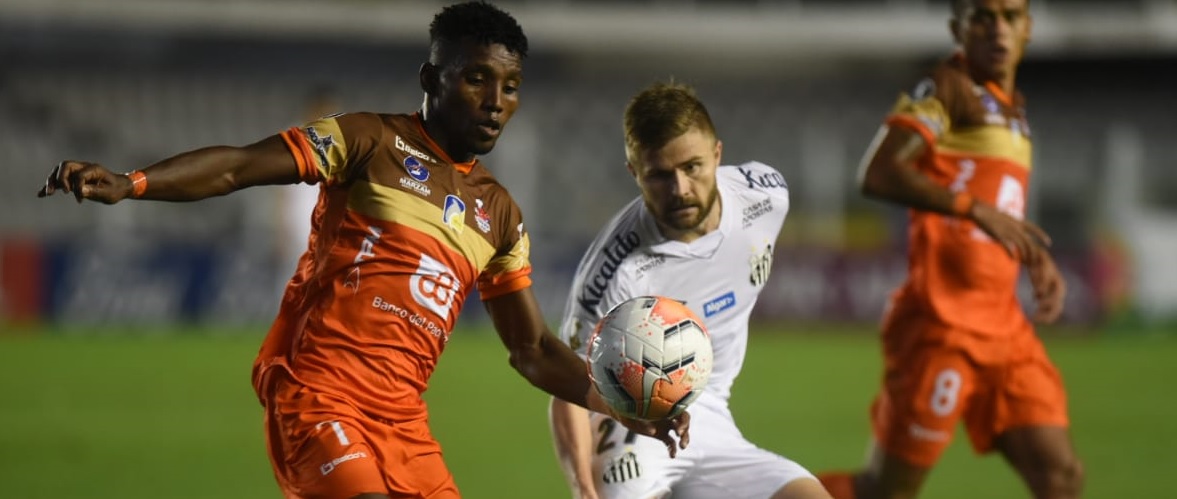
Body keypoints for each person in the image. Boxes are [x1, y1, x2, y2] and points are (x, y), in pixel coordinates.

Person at [36, 2, 688, 498]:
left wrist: (623, 406)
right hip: (317, 395)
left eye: (510, 86)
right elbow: (237, 166)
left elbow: (533, 349)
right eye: (476, 79)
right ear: (431, 77)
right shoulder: (366, 142)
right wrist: (133, 183)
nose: (495, 103)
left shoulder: (499, 215)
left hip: (403, 424)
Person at [815, 1, 1084, 498]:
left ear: (1028, 27)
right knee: (885, 491)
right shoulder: (947, 89)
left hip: (1005, 329)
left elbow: (997, 203)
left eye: (1010, 16)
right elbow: (879, 172)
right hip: (943, 326)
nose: (997, 29)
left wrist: (1031, 252)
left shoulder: (1012, 111)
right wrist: (971, 208)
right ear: (957, 28)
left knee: (1060, 475)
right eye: (982, 16)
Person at [549, 81, 832, 499]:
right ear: (634, 173)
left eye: (692, 167)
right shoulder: (613, 270)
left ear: (717, 154)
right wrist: (583, 489)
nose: (680, 189)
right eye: (659, 175)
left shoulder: (766, 196)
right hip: (629, 420)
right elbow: (567, 388)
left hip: (712, 413)